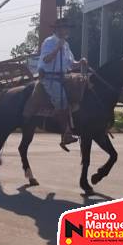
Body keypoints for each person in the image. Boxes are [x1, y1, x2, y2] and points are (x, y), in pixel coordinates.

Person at [38, 18, 87, 151]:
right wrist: (56, 48)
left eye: (67, 28)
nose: (66, 30)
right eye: (63, 28)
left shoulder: (66, 44)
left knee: (82, 89)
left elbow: (71, 63)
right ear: (57, 29)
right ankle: (66, 133)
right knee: (62, 100)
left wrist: (80, 62)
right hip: (50, 77)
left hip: (64, 76)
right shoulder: (49, 42)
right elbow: (46, 59)